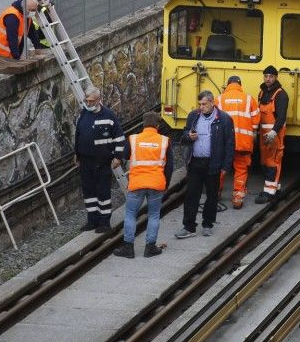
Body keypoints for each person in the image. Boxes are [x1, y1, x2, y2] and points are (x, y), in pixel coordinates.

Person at [113, 112, 173, 259]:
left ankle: (128, 248)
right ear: (158, 126)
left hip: (137, 183)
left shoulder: (133, 139)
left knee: (131, 215)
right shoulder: (165, 141)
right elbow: (170, 166)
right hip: (156, 183)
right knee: (153, 215)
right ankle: (150, 248)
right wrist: (166, 184)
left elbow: (125, 156)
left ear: (143, 124)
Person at [176, 91, 235, 238]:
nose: (201, 107)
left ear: (212, 103)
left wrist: (226, 166)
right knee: (191, 195)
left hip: (213, 163)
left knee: (212, 195)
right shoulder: (193, 116)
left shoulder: (224, 119)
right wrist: (188, 136)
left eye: (204, 104)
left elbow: (230, 143)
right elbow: (183, 136)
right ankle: (189, 226)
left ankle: (208, 224)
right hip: (195, 162)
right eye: (200, 104)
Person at [75, 86, 125, 234]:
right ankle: (92, 220)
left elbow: (119, 137)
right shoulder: (83, 114)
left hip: (102, 161)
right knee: (89, 191)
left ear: (98, 100)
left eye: (91, 101)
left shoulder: (109, 116)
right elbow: (78, 135)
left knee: (103, 192)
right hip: (85, 161)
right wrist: (76, 154)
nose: (88, 104)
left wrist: (118, 157)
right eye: (86, 101)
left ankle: (104, 222)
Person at [215, 75, 260, 209]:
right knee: (241, 169)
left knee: (221, 168)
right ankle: (238, 198)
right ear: (240, 85)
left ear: (227, 85)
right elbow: (256, 121)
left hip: (224, 142)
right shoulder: (249, 99)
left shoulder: (219, 99)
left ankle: (216, 192)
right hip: (243, 143)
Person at [256, 65, 289, 204]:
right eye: (266, 76)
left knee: (272, 162)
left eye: (271, 76)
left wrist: (274, 132)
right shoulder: (262, 93)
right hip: (264, 135)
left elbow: (281, 117)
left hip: (275, 135)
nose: (268, 79)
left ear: (276, 78)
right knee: (265, 162)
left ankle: (269, 193)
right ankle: (275, 188)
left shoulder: (281, 95)